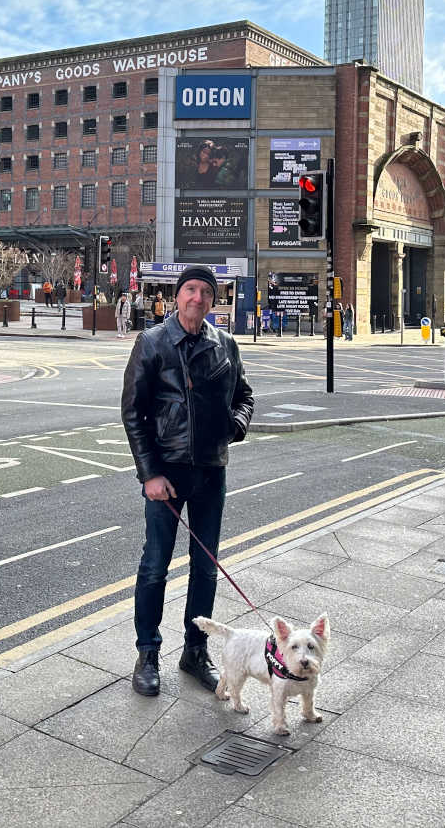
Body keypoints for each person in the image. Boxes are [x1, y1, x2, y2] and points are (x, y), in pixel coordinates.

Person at [122, 265, 254, 697]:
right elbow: (133, 413)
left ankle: (195, 651)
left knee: (206, 569)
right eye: (190, 290)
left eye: (205, 292)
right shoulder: (152, 342)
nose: (197, 298)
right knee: (155, 566)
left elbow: (245, 396)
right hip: (168, 473)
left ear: (213, 301)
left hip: (211, 471)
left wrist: (235, 426)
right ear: (177, 296)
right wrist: (150, 474)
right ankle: (147, 653)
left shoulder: (226, 345)